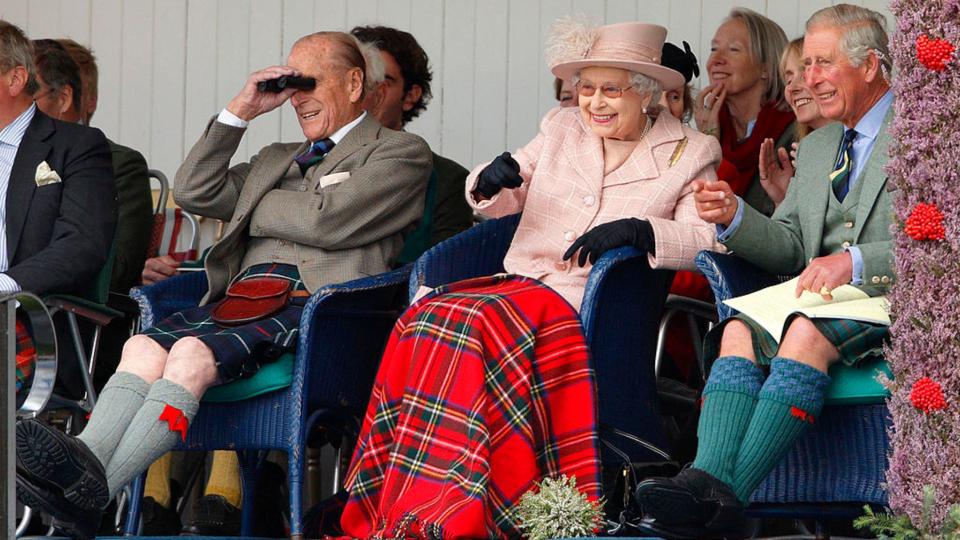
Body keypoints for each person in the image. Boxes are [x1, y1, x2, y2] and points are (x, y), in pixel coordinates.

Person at [15, 30, 432, 540]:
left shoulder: (400, 152)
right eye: (291, 84)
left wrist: (250, 206)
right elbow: (194, 190)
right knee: (142, 346)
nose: (298, 96)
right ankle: (86, 480)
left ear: (351, 82)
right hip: (239, 299)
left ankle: (89, 492)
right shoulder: (276, 157)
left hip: (318, 308)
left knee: (189, 354)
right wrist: (241, 111)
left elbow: (328, 221)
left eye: (310, 82)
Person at [339, 20, 723, 538]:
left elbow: (707, 242)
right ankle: (418, 497)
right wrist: (488, 180)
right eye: (587, 89)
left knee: (472, 324)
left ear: (648, 94)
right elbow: (502, 194)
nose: (594, 103)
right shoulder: (561, 127)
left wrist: (642, 230)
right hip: (521, 285)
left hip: (585, 303)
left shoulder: (690, 150)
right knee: (424, 317)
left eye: (612, 89)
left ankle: (475, 503)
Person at [634, 5, 895, 538]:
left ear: (870, 66)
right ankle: (707, 479)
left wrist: (857, 260)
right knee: (734, 328)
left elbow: (942, 243)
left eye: (823, 63)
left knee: (802, 329)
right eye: (808, 66)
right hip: (826, 299)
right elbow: (791, 245)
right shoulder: (822, 143)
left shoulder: (925, 135)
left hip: (902, 301)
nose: (810, 78)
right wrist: (736, 217)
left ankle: (729, 497)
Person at [0, 21, 116, 400]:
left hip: (31, 317)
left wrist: (6, 285)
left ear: (16, 79)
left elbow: (81, 244)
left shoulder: (75, 146)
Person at [352, 25, 474, 263]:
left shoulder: (449, 179)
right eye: (355, 80)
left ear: (410, 96)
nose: (364, 94)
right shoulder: (303, 161)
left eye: (380, 83)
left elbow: (443, 270)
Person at [697, 8, 794, 216]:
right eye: (714, 49)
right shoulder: (707, 126)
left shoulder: (794, 132)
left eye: (733, 49)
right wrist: (707, 141)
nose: (716, 60)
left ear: (766, 68)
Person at [758, 36, 832, 207]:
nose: (792, 88)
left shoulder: (863, 148)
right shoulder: (800, 153)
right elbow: (791, 234)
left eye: (805, 74)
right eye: (788, 79)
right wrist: (784, 199)